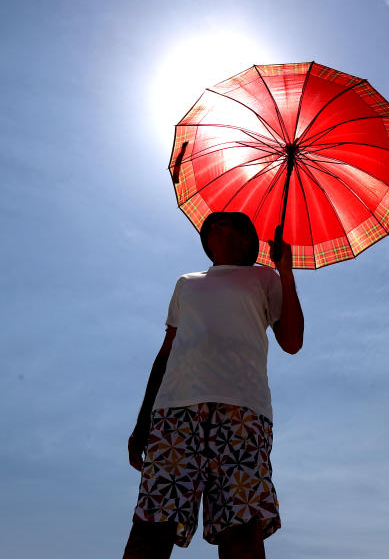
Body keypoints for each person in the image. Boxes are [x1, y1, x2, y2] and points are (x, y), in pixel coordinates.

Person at [122, 211, 304, 559]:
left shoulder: (265, 278)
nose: (215, 227)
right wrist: (142, 422)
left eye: (228, 224)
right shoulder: (186, 283)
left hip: (243, 412)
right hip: (175, 412)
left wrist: (285, 269)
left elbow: (292, 341)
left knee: (241, 527)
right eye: (211, 226)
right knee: (152, 525)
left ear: (249, 240)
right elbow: (165, 354)